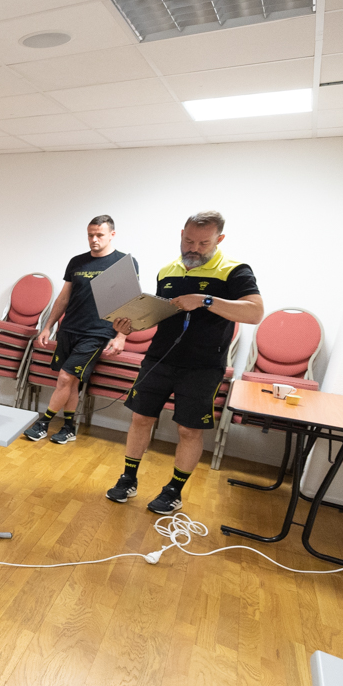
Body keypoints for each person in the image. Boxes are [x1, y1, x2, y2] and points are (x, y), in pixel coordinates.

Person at [106, 211, 262, 514]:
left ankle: (174, 490)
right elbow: (161, 315)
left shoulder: (236, 271)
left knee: (189, 430)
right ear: (181, 234)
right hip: (159, 358)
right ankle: (128, 478)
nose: (194, 248)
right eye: (188, 240)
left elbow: (255, 312)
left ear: (219, 239)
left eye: (203, 243)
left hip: (203, 366)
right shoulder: (167, 271)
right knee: (140, 418)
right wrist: (130, 326)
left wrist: (204, 300)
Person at [25, 216, 134, 445]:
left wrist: (121, 336)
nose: (94, 240)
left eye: (99, 235)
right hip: (69, 328)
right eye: (90, 235)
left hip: (97, 333)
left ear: (112, 234)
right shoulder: (77, 261)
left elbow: (130, 303)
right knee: (70, 382)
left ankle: (44, 422)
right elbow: (64, 297)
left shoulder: (123, 263)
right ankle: (68, 427)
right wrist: (47, 327)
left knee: (65, 377)